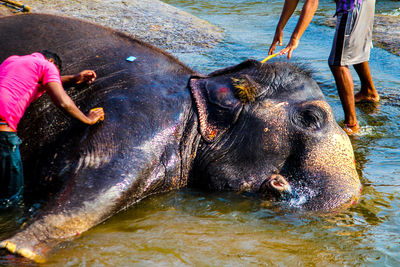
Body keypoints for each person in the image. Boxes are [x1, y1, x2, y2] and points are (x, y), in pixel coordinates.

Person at [0, 50, 105, 204]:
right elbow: (63, 101)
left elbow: (39, 83)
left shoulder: (11, 61)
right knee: (11, 199)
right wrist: (87, 119)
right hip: (3, 133)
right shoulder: (46, 66)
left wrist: (74, 78)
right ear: (51, 62)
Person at [268, 0, 379, 135]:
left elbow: (312, 2)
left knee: (337, 63)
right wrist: (280, 27)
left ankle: (351, 125)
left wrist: (295, 38)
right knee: (349, 48)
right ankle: (368, 92)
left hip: (352, 5)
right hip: (361, 3)